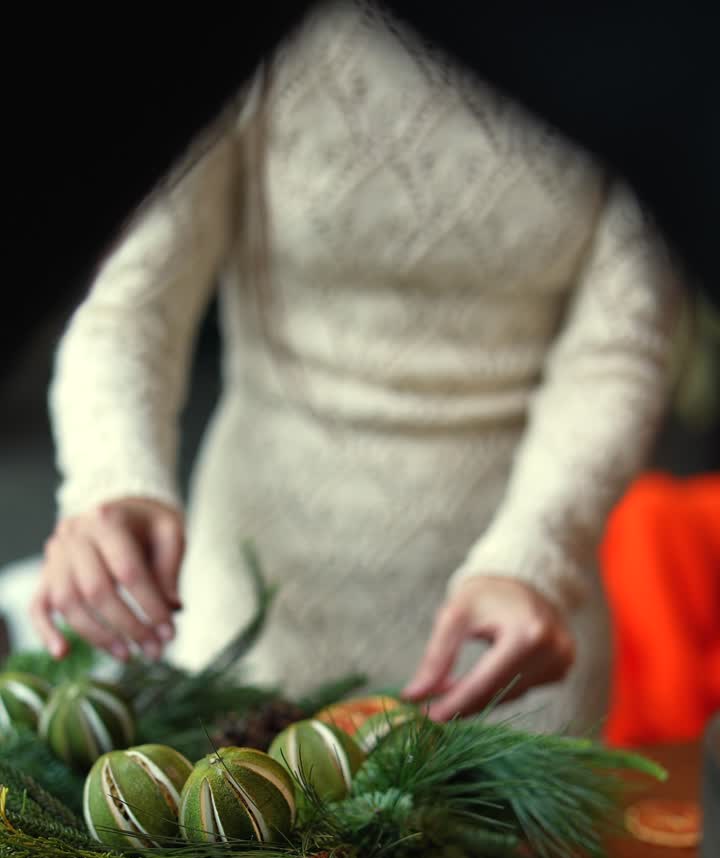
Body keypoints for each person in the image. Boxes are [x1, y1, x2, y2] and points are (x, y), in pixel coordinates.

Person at [30, 2, 679, 732]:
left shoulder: (653, 40)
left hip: (511, 641)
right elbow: (130, 307)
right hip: (256, 616)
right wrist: (112, 481)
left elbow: (622, 352)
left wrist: (535, 554)